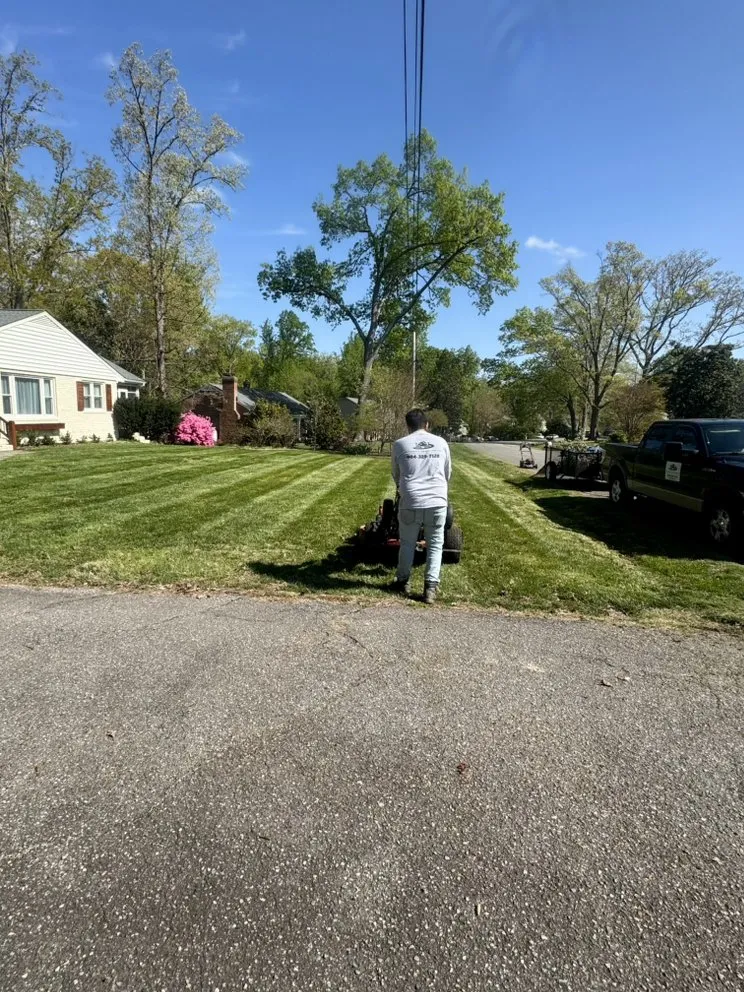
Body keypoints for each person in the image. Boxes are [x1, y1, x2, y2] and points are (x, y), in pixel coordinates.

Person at [391, 408, 452, 604]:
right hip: (437, 501)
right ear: (426, 424)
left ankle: (402, 581)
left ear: (408, 426)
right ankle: (430, 588)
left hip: (410, 500)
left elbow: (396, 474)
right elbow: (447, 473)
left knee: (407, 543)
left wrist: (403, 488)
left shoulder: (400, 444)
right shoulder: (441, 443)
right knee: (435, 544)